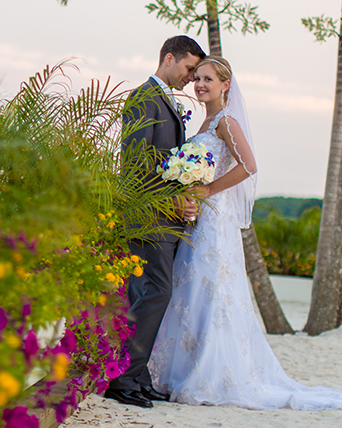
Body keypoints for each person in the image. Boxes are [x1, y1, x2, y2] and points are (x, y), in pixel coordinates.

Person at [147, 56, 342, 410]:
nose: (200, 85)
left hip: (216, 219)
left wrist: (208, 191)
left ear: (226, 85)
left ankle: (210, 374)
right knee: (191, 289)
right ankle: (180, 369)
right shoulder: (204, 121)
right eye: (197, 79)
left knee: (213, 291)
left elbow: (249, 166)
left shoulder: (226, 121)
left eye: (208, 79)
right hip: (198, 220)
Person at [104, 35, 205, 408]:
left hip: (163, 219)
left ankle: (138, 373)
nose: (191, 78)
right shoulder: (144, 98)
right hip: (148, 217)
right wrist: (172, 197)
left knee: (149, 292)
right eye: (188, 68)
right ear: (168, 58)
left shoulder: (166, 101)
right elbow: (134, 164)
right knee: (155, 292)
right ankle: (124, 377)